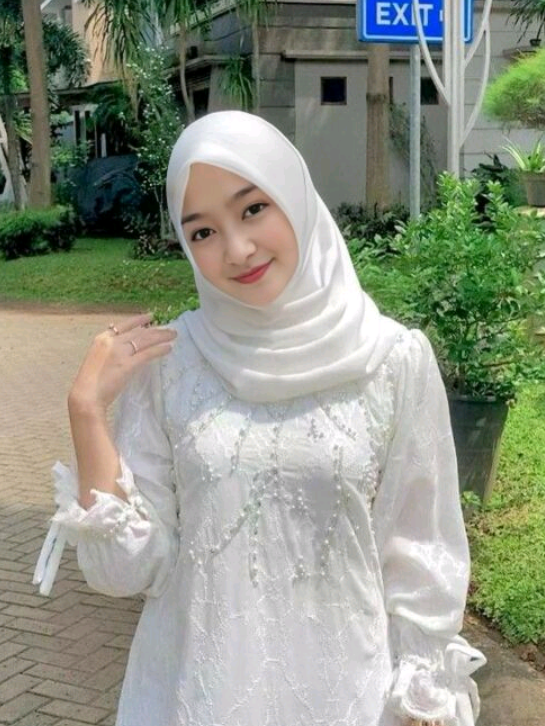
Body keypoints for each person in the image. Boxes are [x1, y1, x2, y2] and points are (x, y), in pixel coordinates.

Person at [34, 111, 486, 726]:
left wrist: (422, 692)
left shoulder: (393, 361)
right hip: (196, 695)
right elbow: (128, 570)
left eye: (253, 209)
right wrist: (86, 411)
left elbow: (420, 555)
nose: (237, 249)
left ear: (293, 194)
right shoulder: (172, 366)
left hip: (346, 698)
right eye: (202, 232)